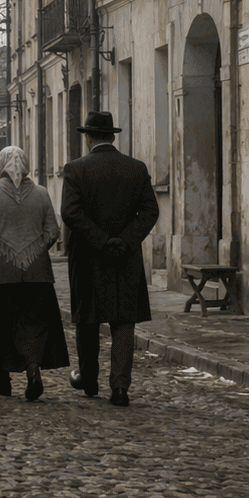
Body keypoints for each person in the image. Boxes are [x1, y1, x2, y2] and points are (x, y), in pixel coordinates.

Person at [60, 111, 159, 408]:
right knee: (123, 321)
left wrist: (100, 241)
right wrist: (124, 241)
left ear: (88, 137)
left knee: (88, 320)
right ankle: (120, 387)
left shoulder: (76, 169)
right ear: (113, 136)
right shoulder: (136, 168)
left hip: (89, 257)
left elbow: (70, 213)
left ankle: (89, 379)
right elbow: (150, 211)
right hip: (125, 258)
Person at [0, 146, 70, 401]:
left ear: (1, 166)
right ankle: (33, 369)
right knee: (33, 324)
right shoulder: (41, 194)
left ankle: (3, 379)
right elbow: (53, 232)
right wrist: (34, 251)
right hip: (37, 275)